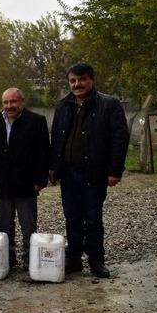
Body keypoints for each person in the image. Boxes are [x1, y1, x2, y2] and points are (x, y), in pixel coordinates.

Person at [50, 63, 128, 278]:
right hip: (68, 173)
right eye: (73, 80)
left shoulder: (109, 104)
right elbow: (56, 137)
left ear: (92, 80)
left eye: (82, 79)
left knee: (93, 217)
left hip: (94, 173)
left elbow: (120, 138)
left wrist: (115, 170)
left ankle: (96, 260)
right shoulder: (63, 105)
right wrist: (54, 167)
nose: (77, 84)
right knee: (71, 217)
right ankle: (74, 259)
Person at [0, 87, 50, 270]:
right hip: (2, 183)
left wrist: (40, 180)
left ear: (22, 101)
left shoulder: (36, 121)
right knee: (4, 226)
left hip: (26, 183)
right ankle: (8, 258)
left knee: (28, 226)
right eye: (5, 102)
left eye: (13, 101)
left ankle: (30, 259)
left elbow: (43, 153)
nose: (9, 106)